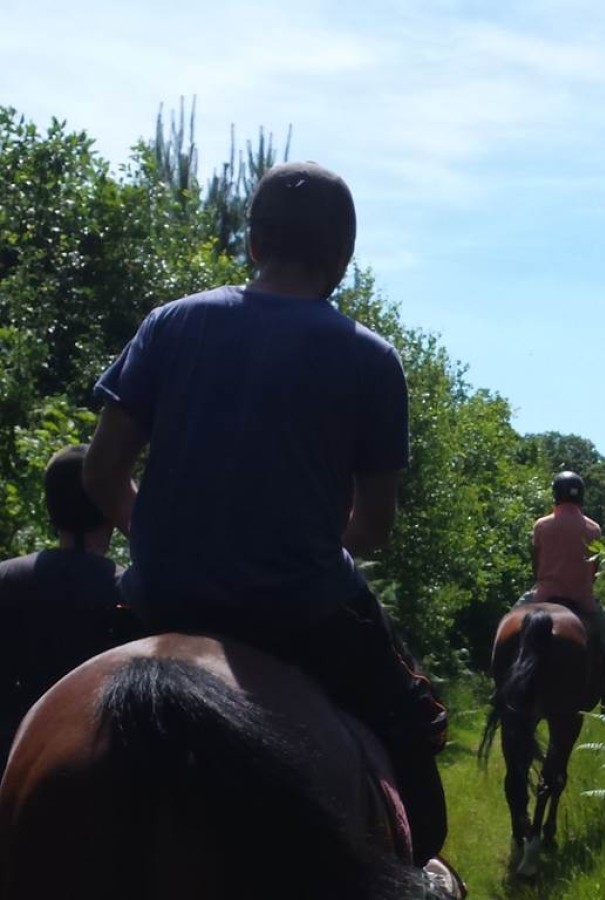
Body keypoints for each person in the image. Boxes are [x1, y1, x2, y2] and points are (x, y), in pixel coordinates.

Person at [82, 161, 449, 865]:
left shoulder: (170, 324)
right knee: (408, 742)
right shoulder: (372, 359)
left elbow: (101, 472)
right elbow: (374, 527)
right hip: (303, 615)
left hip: (158, 601)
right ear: (342, 258)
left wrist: (160, 538)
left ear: (253, 242)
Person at [0, 445, 134, 765]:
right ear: (108, 509)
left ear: (51, 509)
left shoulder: (6, 579)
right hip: (97, 764)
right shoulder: (129, 593)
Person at [522, 470, 605, 705]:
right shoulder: (594, 529)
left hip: (543, 596)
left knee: (506, 624)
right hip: (582, 600)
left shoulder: (541, 525)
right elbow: (594, 570)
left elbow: (536, 564)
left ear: (556, 494)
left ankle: (497, 685)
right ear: (581, 496)